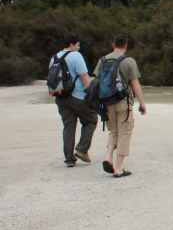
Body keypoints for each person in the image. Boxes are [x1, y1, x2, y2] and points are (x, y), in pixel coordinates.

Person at [93, 35, 146, 178]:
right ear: (126, 45)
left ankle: (108, 157)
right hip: (123, 102)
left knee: (113, 131)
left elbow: (97, 82)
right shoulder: (129, 61)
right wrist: (142, 103)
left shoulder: (102, 60)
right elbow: (135, 84)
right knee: (125, 132)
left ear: (113, 44)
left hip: (107, 102)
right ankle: (118, 168)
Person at [51, 35, 96, 167]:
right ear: (72, 44)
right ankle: (82, 150)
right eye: (78, 45)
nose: (79, 47)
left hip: (60, 97)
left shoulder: (54, 57)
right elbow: (84, 78)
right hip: (77, 97)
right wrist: (91, 95)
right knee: (91, 119)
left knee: (68, 126)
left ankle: (69, 159)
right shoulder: (76, 56)